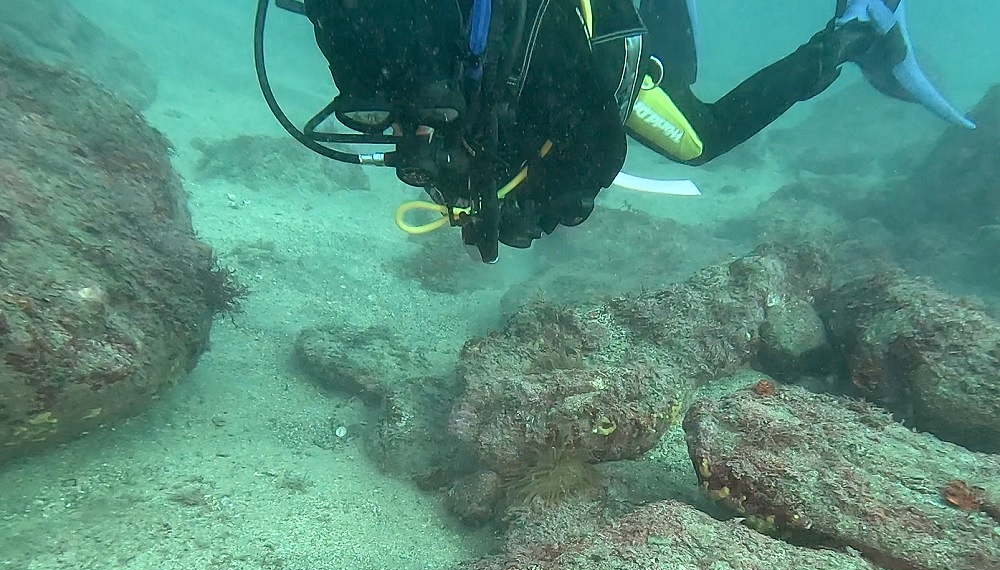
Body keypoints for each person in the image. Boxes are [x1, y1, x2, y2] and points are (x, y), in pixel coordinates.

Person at [257, 0, 973, 262]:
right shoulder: (353, 25)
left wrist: (543, 203)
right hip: (514, 75)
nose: (399, 136)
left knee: (696, 136)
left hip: (597, 34)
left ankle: (851, 34)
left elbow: (599, 146)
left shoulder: (526, 47)